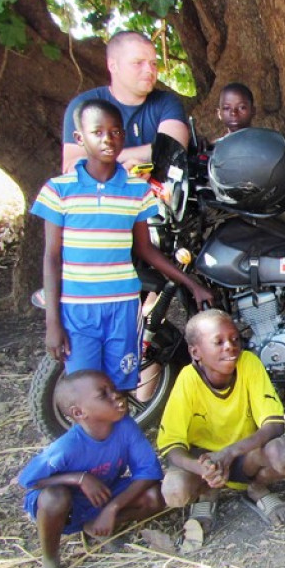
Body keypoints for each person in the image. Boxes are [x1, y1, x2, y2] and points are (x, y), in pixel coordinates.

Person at [32, 99, 213, 392]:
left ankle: (120, 437)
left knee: (119, 390)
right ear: (80, 138)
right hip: (79, 310)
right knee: (86, 390)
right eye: (98, 132)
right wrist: (53, 322)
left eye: (116, 132)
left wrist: (191, 284)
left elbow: (146, 250)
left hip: (123, 307)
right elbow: (51, 259)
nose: (108, 139)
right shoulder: (59, 190)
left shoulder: (136, 190)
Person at [18, 370, 165, 568]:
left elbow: (149, 472)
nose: (117, 395)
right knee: (55, 496)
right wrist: (79, 478)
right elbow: (29, 480)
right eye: (103, 394)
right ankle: (49, 561)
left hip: (101, 499)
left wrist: (112, 508)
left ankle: (94, 525)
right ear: (79, 412)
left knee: (155, 496)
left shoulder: (125, 426)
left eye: (113, 389)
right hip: (64, 508)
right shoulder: (68, 446)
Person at [157, 310, 285, 550]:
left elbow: (274, 425)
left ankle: (256, 488)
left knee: (282, 455)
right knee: (174, 491)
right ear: (195, 352)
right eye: (218, 342)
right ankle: (206, 492)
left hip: (244, 456)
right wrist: (202, 468)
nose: (230, 347)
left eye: (234, 339)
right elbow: (172, 446)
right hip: (205, 461)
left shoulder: (249, 363)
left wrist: (230, 453)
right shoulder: (188, 379)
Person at [61, 31, 189, 174]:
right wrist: (120, 171)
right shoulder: (84, 107)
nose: (149, 70)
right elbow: (71, 168)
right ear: (113, 66)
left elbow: (173, 151)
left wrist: (103, 156)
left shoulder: (167, 102)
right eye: (138, 63)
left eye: (153, 63)